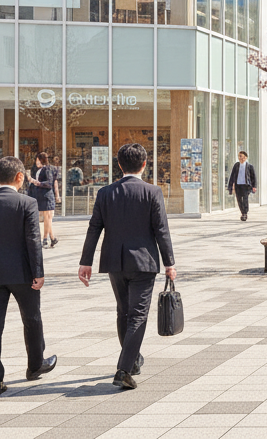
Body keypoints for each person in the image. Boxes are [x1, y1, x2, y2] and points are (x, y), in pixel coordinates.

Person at [78, 143, 177, 390]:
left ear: (119, 165)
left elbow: (94, 228)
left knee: (123, 311)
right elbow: (161, 230)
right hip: (144, 263)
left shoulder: (105, 193)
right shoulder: (152, 192)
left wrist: (85, 262)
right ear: (144, 164)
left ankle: (131, 362)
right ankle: (123, 369)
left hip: (114, 262)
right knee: (138, 315)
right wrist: (169, 264)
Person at [0, 156, 57, 396]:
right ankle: (35, 365)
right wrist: (38, 272)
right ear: (20, 177)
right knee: (31, 318)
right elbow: (33, 242)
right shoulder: (27, 203)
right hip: (22, 273)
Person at [28, 152, 61, 247]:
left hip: (45, 195)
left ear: (39, 159)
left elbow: (49, 183)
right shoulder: (47, 169)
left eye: (37, 159)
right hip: (45, 195)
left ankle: (48, 238)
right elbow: (54, 182)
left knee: (48, 218)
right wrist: (57, 195)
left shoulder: (46, 169)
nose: (36, 162)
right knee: (48, 218)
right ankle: (48, 238)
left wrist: (34, 182)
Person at [227, 151, 257, 221]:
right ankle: (242, 212)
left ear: (246, 157)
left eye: (242, 156)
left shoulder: (249, 166)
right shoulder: (236, 165)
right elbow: (232, 175)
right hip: (238, 185)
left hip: (246, 185)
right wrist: (230, 185)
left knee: (245, 199)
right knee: (239, 199)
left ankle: (245, 213)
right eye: (240, 156)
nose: (241, 158)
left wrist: (254, 186)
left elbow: (253, 177)